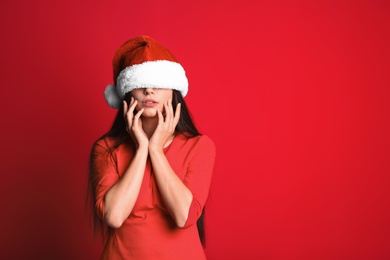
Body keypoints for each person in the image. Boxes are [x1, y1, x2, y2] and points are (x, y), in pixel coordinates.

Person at [88, 35, 216, 259]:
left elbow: (183, 216)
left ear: (174, 91)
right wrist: (141, 149)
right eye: (140, 84)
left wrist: (156, 150)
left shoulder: (199, 146)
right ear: (126, 93)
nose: (149, 90)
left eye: (159, 83)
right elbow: (114, 216)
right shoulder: (106, 148)